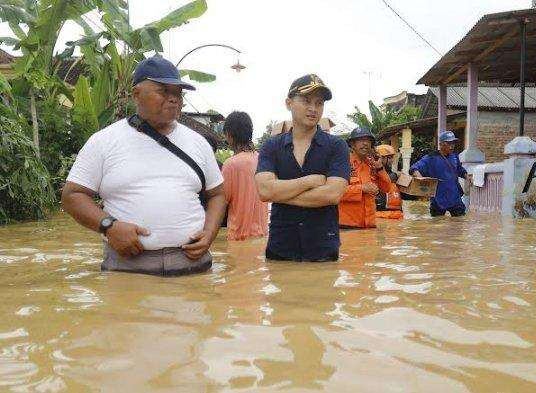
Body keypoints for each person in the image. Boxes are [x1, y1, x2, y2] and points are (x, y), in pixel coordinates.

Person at [61, 55, 226, 276]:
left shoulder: (198, 143)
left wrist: (210, 232)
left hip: (193, 265)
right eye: (163, 91)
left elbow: (218, 195)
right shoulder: (104, 141)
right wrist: (109, 226)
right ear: (136, 94)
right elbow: (72, 196)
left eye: (177, 93)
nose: (173, 99)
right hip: (128, 266)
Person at [255, 74, 350, 261]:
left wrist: (281, 193)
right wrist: (309, 181)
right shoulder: (271, 146)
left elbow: (332, 195)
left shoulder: (337, 146)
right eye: (306, 101)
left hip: (323, 251)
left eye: (319, 103)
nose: (313, 109)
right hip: (280, 249)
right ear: (288, 103)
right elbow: (265, 191)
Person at [221, 111, 269, 240]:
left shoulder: (230, 165)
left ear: (229, 135)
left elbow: (220, 204)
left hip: (237, 237)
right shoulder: (263, 161)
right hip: (262, 236)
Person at [338, 127, 393, 229]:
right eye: (360, 140)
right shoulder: (342, 163)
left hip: (369, 226)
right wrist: (362, 188)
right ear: (352, 144)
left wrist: (380, 168)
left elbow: (387, 188)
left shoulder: (373, 165)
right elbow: (334, 192)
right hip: (347, 226)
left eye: (368, 141)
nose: (365, 144)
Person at [409, 131, 468, 217]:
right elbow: (414, 168)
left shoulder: (454, 156)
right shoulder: (431, 158)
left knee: (459, 224)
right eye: (449, 143)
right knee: (437, 226)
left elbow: (459, 170)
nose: (452, 146)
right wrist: (422, 180)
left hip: (454, 197)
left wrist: (467, 176)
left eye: (453, 143)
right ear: (441, 144)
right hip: (438, 199)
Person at [374, 144, 404, 220]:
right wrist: (397, 175)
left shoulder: (395, 175)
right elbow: (387, 179)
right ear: (381, 158)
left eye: (392, 157)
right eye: (389, 158)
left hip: (396, 215)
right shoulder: (373, 173)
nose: (392, 160)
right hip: (380, 215)